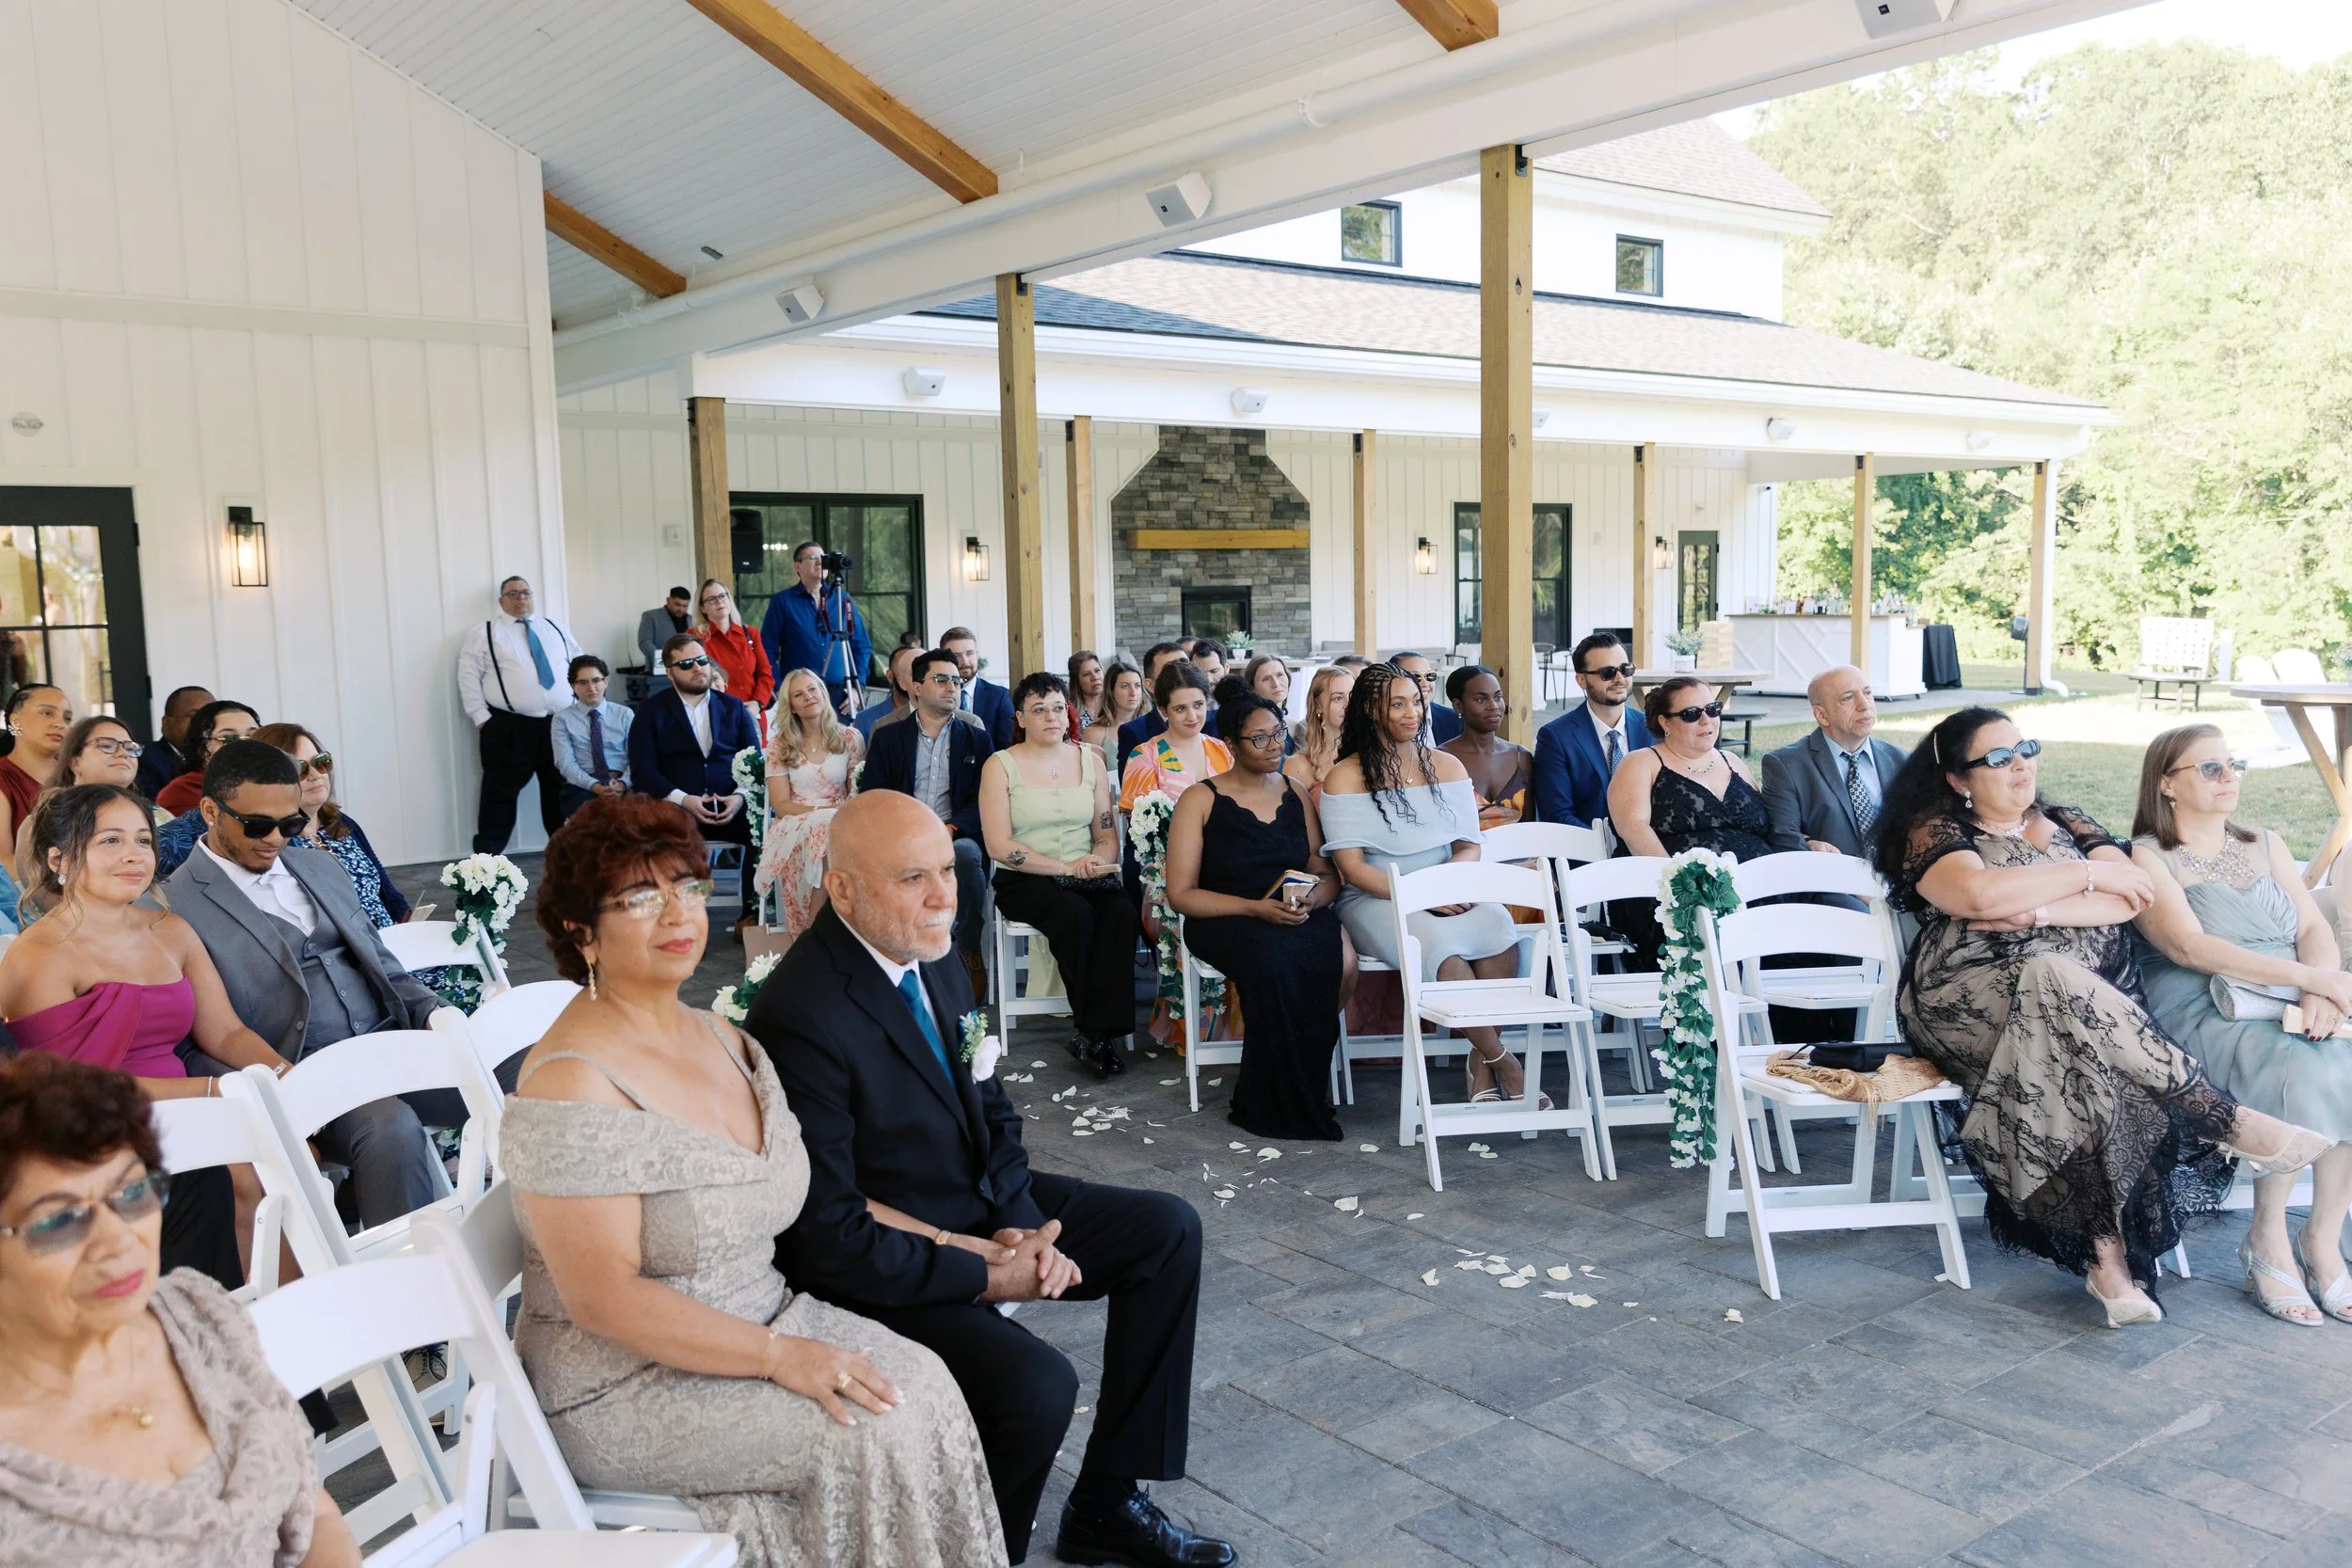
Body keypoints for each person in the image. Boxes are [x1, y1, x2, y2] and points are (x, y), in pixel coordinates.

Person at [497, 796, 1004, 1568]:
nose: (678, 913)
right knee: (871, 1428)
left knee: (926, 1383)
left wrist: (957, 1243)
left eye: (689, 887)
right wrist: (781, 1356)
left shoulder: (718, 1032)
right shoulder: (573, 1084)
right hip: (627, 1378)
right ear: (579, 930)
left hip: (765, 1311)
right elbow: (603, 1298)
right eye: (640, 897)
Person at [747, 790, 1230, 1568]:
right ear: (843, 891)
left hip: (976, 1203)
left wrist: (1014, 1222)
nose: (945, 895)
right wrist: (980, 1268)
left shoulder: (927, 952)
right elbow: (826, 1233)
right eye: (914, 878)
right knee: (1036, 1386)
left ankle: (1105, 1503)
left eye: (948, 868)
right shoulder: (803, 1012)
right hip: (888, 1256)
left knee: (1166, 1231)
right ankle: (982, 1553)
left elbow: (993, 1114)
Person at [1876, 706, 2336, 1325]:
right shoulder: (1934, 827)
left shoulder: (2066, 819)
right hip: (1969, 1000)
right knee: (2049, 975)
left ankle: (2108, 1265)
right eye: (1998, 758)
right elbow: (1978, 895)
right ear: (1961, 778)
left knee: (2073, 1042)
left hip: (2083, 1007)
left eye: (2027, 749)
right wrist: (2085, 876)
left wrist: (2037, 910)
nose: (2021, 766)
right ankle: (2220, 1116)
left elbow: (2130, 896)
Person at [0, 1053, 361, 1567]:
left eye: (130, 1192)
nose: (117, 1241)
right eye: (60, 1220)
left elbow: (316, 1516)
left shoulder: (199, 1316)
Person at [165, 741, 474, 1232]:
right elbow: (193, 1039)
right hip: (302, 1072)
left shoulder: (321, 868)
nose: (276, 839)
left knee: (533, 1070)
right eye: (257, 825)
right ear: (209, 811)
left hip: (391, 1044)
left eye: (289, 825)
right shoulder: (171, 907)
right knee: (389, 1128)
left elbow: (385, 967)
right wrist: (277, 1087)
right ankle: (410, 1288)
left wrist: (439, 1014)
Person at [0, 785, 298, 1294]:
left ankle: (298, 1335)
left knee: (289, 1160)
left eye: (142, 840)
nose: (134, 855)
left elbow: (224, 1031)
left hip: (196, 1106)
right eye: (110, 841)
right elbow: (73, 1090)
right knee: (244, 1174)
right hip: (98, 1125)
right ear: (59, 859)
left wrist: (284, 1077)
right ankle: (234, 1333)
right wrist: (218, 1092)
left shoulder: (170, 930)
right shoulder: (38, 957)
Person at [2128, 723, 2352, 1326]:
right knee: (2303, 1062)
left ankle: (2322, 1242)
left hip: (2287, 990)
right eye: (2210, 768)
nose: (2229, 777)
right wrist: (2312, 983)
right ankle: (2268, 1239)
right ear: (2167, 784)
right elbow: (2188, 948)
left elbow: (2312, 929)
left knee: (2344, 1057)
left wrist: (2323, 989)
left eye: (2234, 764)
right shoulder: (2149, 855)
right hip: (2205, 1002)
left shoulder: (2266, 842)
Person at [1321, 664, 1536, 1105]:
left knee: (1497, 926)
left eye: (1415, 701)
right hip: (1376, 895)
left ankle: (1480, 1064)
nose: (1411, 712)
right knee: (1438, 943)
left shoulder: (1447, 765)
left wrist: (1448, 886)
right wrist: (1419, 896)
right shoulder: (1346, 775)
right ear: (1369, 709)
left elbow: (1468, 845)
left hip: (1448, 887)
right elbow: (1353, 867)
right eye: (1396, 704)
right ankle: (1502, 1061)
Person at [1167, 694, 1344, 1141]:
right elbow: (1182, 894)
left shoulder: (1296, 792)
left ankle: (1305, 1085)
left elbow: (1324, 870)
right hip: (1224, 915)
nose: (1272, 746)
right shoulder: (1200, 799)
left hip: (1291, 910)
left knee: (1326, 955)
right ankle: (1268, 1099)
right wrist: (1253, 908)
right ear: (1230, 743)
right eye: (1258, 738)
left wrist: (1311, 900)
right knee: (1274, 962)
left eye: (1278, 735)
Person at [981, 674, 1136, 1080]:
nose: (1051, 717)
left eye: (1056, 707)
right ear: (1020, 717)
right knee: (1076, 914)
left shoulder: (1091, 758)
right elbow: (999, 846)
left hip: (1085, 870)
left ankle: (1097, 1032)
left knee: (1120, 913)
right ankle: (1094, 1032)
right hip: (1025, 876)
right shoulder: (1001, 765)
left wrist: (1094, 860)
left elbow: (1105, 833)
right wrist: (1065, 869)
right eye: (1038, 710)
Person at [864, 649, 996, 998]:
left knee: (967, 856)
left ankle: (968, 949)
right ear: (916, 688)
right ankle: (898, 952)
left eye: (956, 680)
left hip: (956, 835)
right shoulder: (889, 737)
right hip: (902, 837)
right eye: (941, 680)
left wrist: (949, 830)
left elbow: (985, 800)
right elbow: (874, 797)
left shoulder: (976, 738)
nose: (952, 687)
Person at [457, 575, 583, 854]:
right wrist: (481, 718)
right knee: (498, 798)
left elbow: (579, 663)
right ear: (501, 601)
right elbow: (468, 675)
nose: (521, 598)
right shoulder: (486, 632)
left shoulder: (554, 627)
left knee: (561, 795)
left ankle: (570, 859)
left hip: (559, 724)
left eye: (526, 592)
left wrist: (581, 708)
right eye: (513, 593)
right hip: (508, 728)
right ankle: (485, 869)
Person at [1608, 676, 1772, 863]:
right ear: (1665, 722)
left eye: (1712, 709)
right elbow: (1634, 831)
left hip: (1761, 884)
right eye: (1691, 713)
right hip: (1676, 886)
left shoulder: (1732, 761)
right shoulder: (1642, 762)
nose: (1706, 720)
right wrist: (1682, 882)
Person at [754, 669, 865, 941]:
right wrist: (823, 814)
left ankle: (817, 931)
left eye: (813, 689)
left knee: (833, 828)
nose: (808, 697)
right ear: (790, 705)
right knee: (824, 826)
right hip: (796, 822)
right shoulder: (780, 745)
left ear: (823, 692)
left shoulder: (850, 738)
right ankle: (818, 925)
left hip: (842, 819)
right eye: (798, 694)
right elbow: (780, 805)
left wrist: (835, 815)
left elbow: (855, 794)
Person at [627, 633, 760, 847]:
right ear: (670, 673)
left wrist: (739, 797)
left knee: (762, 829)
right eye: (687, 664)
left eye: (702, 660)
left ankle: (754, 884)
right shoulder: (650, 711)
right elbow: (642, 771)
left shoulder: (734, 707)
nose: (698, 668)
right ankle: (692, 883)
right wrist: (683, 799)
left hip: (731, 803)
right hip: (676, 806)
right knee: (670, 831)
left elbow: (754, 762)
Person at [1760, 664, 1905, 859]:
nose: (1865, 705)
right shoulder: (1786, 765)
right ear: (1822, 715)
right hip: (1832, 882)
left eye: (1868, 693)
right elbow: (1784, 838)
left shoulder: (1902, 760)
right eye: (1848, 697)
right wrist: (1809, 843)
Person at [1532, 635, 1652, 832]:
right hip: (1588, 854)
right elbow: (1557, 814)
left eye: (1625, 669)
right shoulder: (1555, 737)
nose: (1620, 678)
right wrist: (1604, 845)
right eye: (1607, 672)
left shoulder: (1652, 728)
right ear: (1581, 680)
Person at [762, 542, 872, 720]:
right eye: (812, 558)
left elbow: (862, 646)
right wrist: (780, 688)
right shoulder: (783, 601)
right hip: (800, 696)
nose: (820, 562)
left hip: (840, 695)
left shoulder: (842, 599)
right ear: (797, 566)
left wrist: (856, 687)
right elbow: (767, 649)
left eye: (823, 558)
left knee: (843, 745)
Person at [1441, 666, 1532, 828]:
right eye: (1481, 699)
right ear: (1458, 706)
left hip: (1520, 852)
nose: (1493, 706)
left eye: (1497, 697)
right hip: (1460, 853)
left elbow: (1531, 826)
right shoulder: (1440, 760)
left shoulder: (1521, 757)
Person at [550, 654, 633, 821]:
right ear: (573, 686)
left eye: (596, 680)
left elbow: (637, 757)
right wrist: (595, 786)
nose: (591, 687)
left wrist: (623, 783)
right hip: (582, 786)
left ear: (606, 682)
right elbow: (565, 764)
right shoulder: (562, 719)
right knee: (594, 820)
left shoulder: (624, 714)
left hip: (622, 783)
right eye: (583, 682)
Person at [152, 699, 259, 817]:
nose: (244, 746)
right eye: (229, 738)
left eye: (252, 736)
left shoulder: (275, 784)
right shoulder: (181, 793)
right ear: (201, 748)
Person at [695, 577, 776, 728]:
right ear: (702, 608)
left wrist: (758, 703)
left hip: (752, 714)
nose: (719, 601)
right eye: (712, 599)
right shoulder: (696, 638)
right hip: (716, 716)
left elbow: (766, 674)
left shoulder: (750, 633)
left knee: (753, 752)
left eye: (723, 596)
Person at [0, 684, 72, 844]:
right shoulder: (4, 777)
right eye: (47, 713)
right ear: (16, 720)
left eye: (67, 718)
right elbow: (3, 858)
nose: (60, 724)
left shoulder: (77, 773)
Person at [1115, 641, 1191, 773]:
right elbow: (1132, 789)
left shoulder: (1213, 723)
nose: (1182, 678)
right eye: (1170, 673)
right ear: (1150, 685)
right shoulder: (1134, 733)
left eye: (1186, 669)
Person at [132, 684, 212, 800]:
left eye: (211, 717)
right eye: (195, 717)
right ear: (167, 723)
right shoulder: (143, 759)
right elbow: (158, 812)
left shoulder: (221, 758)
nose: (206, 724)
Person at [1283, 665, 1356, 791]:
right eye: (1338, 698)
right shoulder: (1297, 765)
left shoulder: (1376, 754)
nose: (1349, 705)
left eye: (1353, 696)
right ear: (1318, 706)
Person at [941, 627, 1014, 751]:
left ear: (977, 654)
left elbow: (1007, 747)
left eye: (969, 654)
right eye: (957, 656)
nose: (965, 661)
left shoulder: (999, 696)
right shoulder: (937, 696)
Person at [1390, 651, 1462, 745]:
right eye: (1416, 677)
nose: (1425, 683)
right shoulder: (1386, 720)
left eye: (1429, 676)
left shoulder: (1453, 719)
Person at [855, 643, 923, 741]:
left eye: (920, 671)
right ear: (890, 676)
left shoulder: (938, 716)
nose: (916, 678)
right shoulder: (865, 719)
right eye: (905, 669)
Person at [1096, 657, 1147, 774]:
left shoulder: (1154, 727)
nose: (1133, 693)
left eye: (1137, 685)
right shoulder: (1095, 734)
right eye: (1125, 686)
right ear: (1111, 690)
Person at [638, 585, 693, 671]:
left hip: (688, 670)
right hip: (660, 672)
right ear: (668, 601)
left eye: (685, 606)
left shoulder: (692, 620)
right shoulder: (651, 616)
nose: (681, 609)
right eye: (677, 604)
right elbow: (645, 642)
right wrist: (664, 662)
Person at [1067, 650, 1108, 743]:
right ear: (1076, 681)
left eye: (1097, 670)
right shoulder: (1069, 711)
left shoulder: (1116, 703)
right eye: (1086, 674)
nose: (1095, 677)